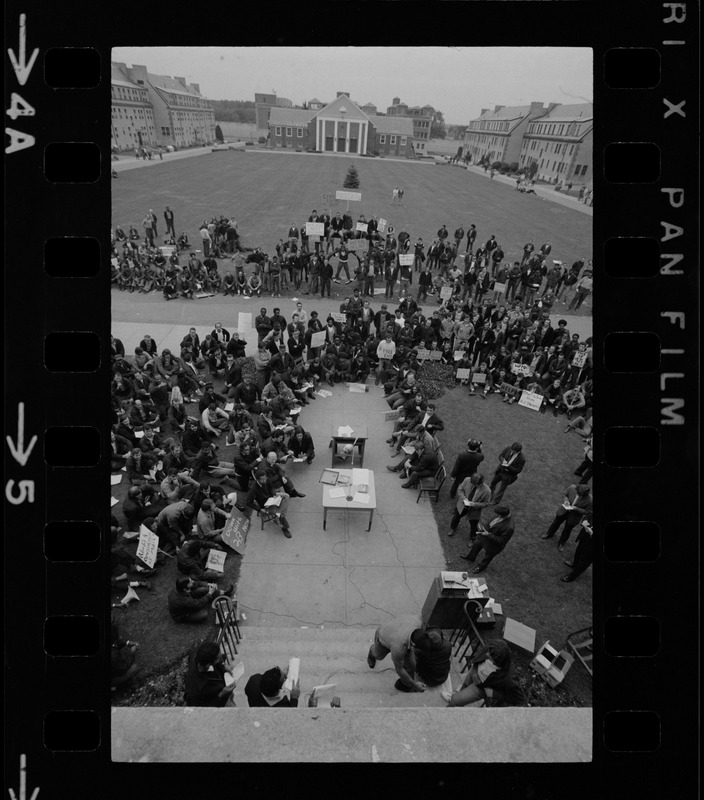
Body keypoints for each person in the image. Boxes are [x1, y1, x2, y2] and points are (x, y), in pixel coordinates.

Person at [442, 639, 524, 706]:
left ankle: (452, 703)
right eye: (488, 651)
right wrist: (474, 662)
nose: (487, 654)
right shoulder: (494, 648)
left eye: (490, 656)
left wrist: (495, 694)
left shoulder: (507, 679)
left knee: (456, 700)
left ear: (497, 661)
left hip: (480, 687)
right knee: (464, 687)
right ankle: (457, 695)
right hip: (474, 671)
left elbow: (519, 699)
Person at [367, 614, 427, 693]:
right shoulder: (398, 648)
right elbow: (399, 669)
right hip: (383, 637)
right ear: (414, 645)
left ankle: (405, 684)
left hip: (398, 633)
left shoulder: (419, 622)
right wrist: (415, 685)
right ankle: (372, 653)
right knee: (378, 655)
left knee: (410, 664)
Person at [461, 504, 515, 572]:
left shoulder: (509, 527)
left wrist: (488, 534)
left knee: (488, 557)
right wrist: (483, 528)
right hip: (485, 536)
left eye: (498, 514)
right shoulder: (502, 513)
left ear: (502, 515)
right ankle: (471, 557)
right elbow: (492, 523)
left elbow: (502, 541)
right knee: (476, 545)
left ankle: (480, 567)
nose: (497, 515)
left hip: (494, 545)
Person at [184, 641, 237, 707]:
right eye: (218, 659)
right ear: (208, 664)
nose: (220, 660)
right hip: (219, 702)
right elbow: (204, 708)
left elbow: (218, 663)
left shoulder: (198, 655)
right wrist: (221, 694)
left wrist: (223, 666)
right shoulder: (196, 690)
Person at [542, 484, 593, 551]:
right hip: (563, 511)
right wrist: (566, 500)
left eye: (581, 495)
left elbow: (588, 512)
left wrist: (576, 508)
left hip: (574, 516)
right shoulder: (572, 488)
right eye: (578, 493)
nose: (579, 496)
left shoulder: (590, 500)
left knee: (567, 530)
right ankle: (548, 534)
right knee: (555, 523)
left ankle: (561, 543)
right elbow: (565, 494)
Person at [167, 575, 233, 624]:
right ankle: (187, 617)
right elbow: (199, 604)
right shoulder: (184, 600)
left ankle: (224, 593)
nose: (192, 581)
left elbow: (196, 583)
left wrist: (208, 584)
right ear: (185, 588)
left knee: (204, 589)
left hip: (188, 598)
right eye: (190, 582)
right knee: (204, 614)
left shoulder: (180, 587)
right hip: (182, 615)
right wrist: (209, 593)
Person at [246, 471, 293, 538]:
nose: (265, 480)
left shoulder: (266, 480)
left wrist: (274, 493)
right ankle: (285, 528)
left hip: (272, 497)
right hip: (266, 504)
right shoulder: (253, 489)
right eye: (263, 479)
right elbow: (248, 502)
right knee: (281, 515)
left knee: (286, 496)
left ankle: (278, 514)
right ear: (258, 480)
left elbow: (271, 487)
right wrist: (259, 509)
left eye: (265, 478)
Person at [448, 473, 491, 542]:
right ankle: (453, 528)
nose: (473, 485)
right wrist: (464, 498)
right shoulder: (467, 480)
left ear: (481, 483)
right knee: (456, 517)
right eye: (472, 483)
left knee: (474, 525)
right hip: (462, 505)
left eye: (475, 485)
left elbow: (486, 503)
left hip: (474, 510)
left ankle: (472, 538)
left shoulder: (487, 491)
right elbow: (459, 490)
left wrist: (474, 504)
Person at [561, 514, 594, 582]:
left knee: (585, 561)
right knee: (579, 551)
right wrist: (585, 520)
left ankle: (572, 576)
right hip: (585, 535)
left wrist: (592, 533)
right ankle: (574, 564)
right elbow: (589, 514)